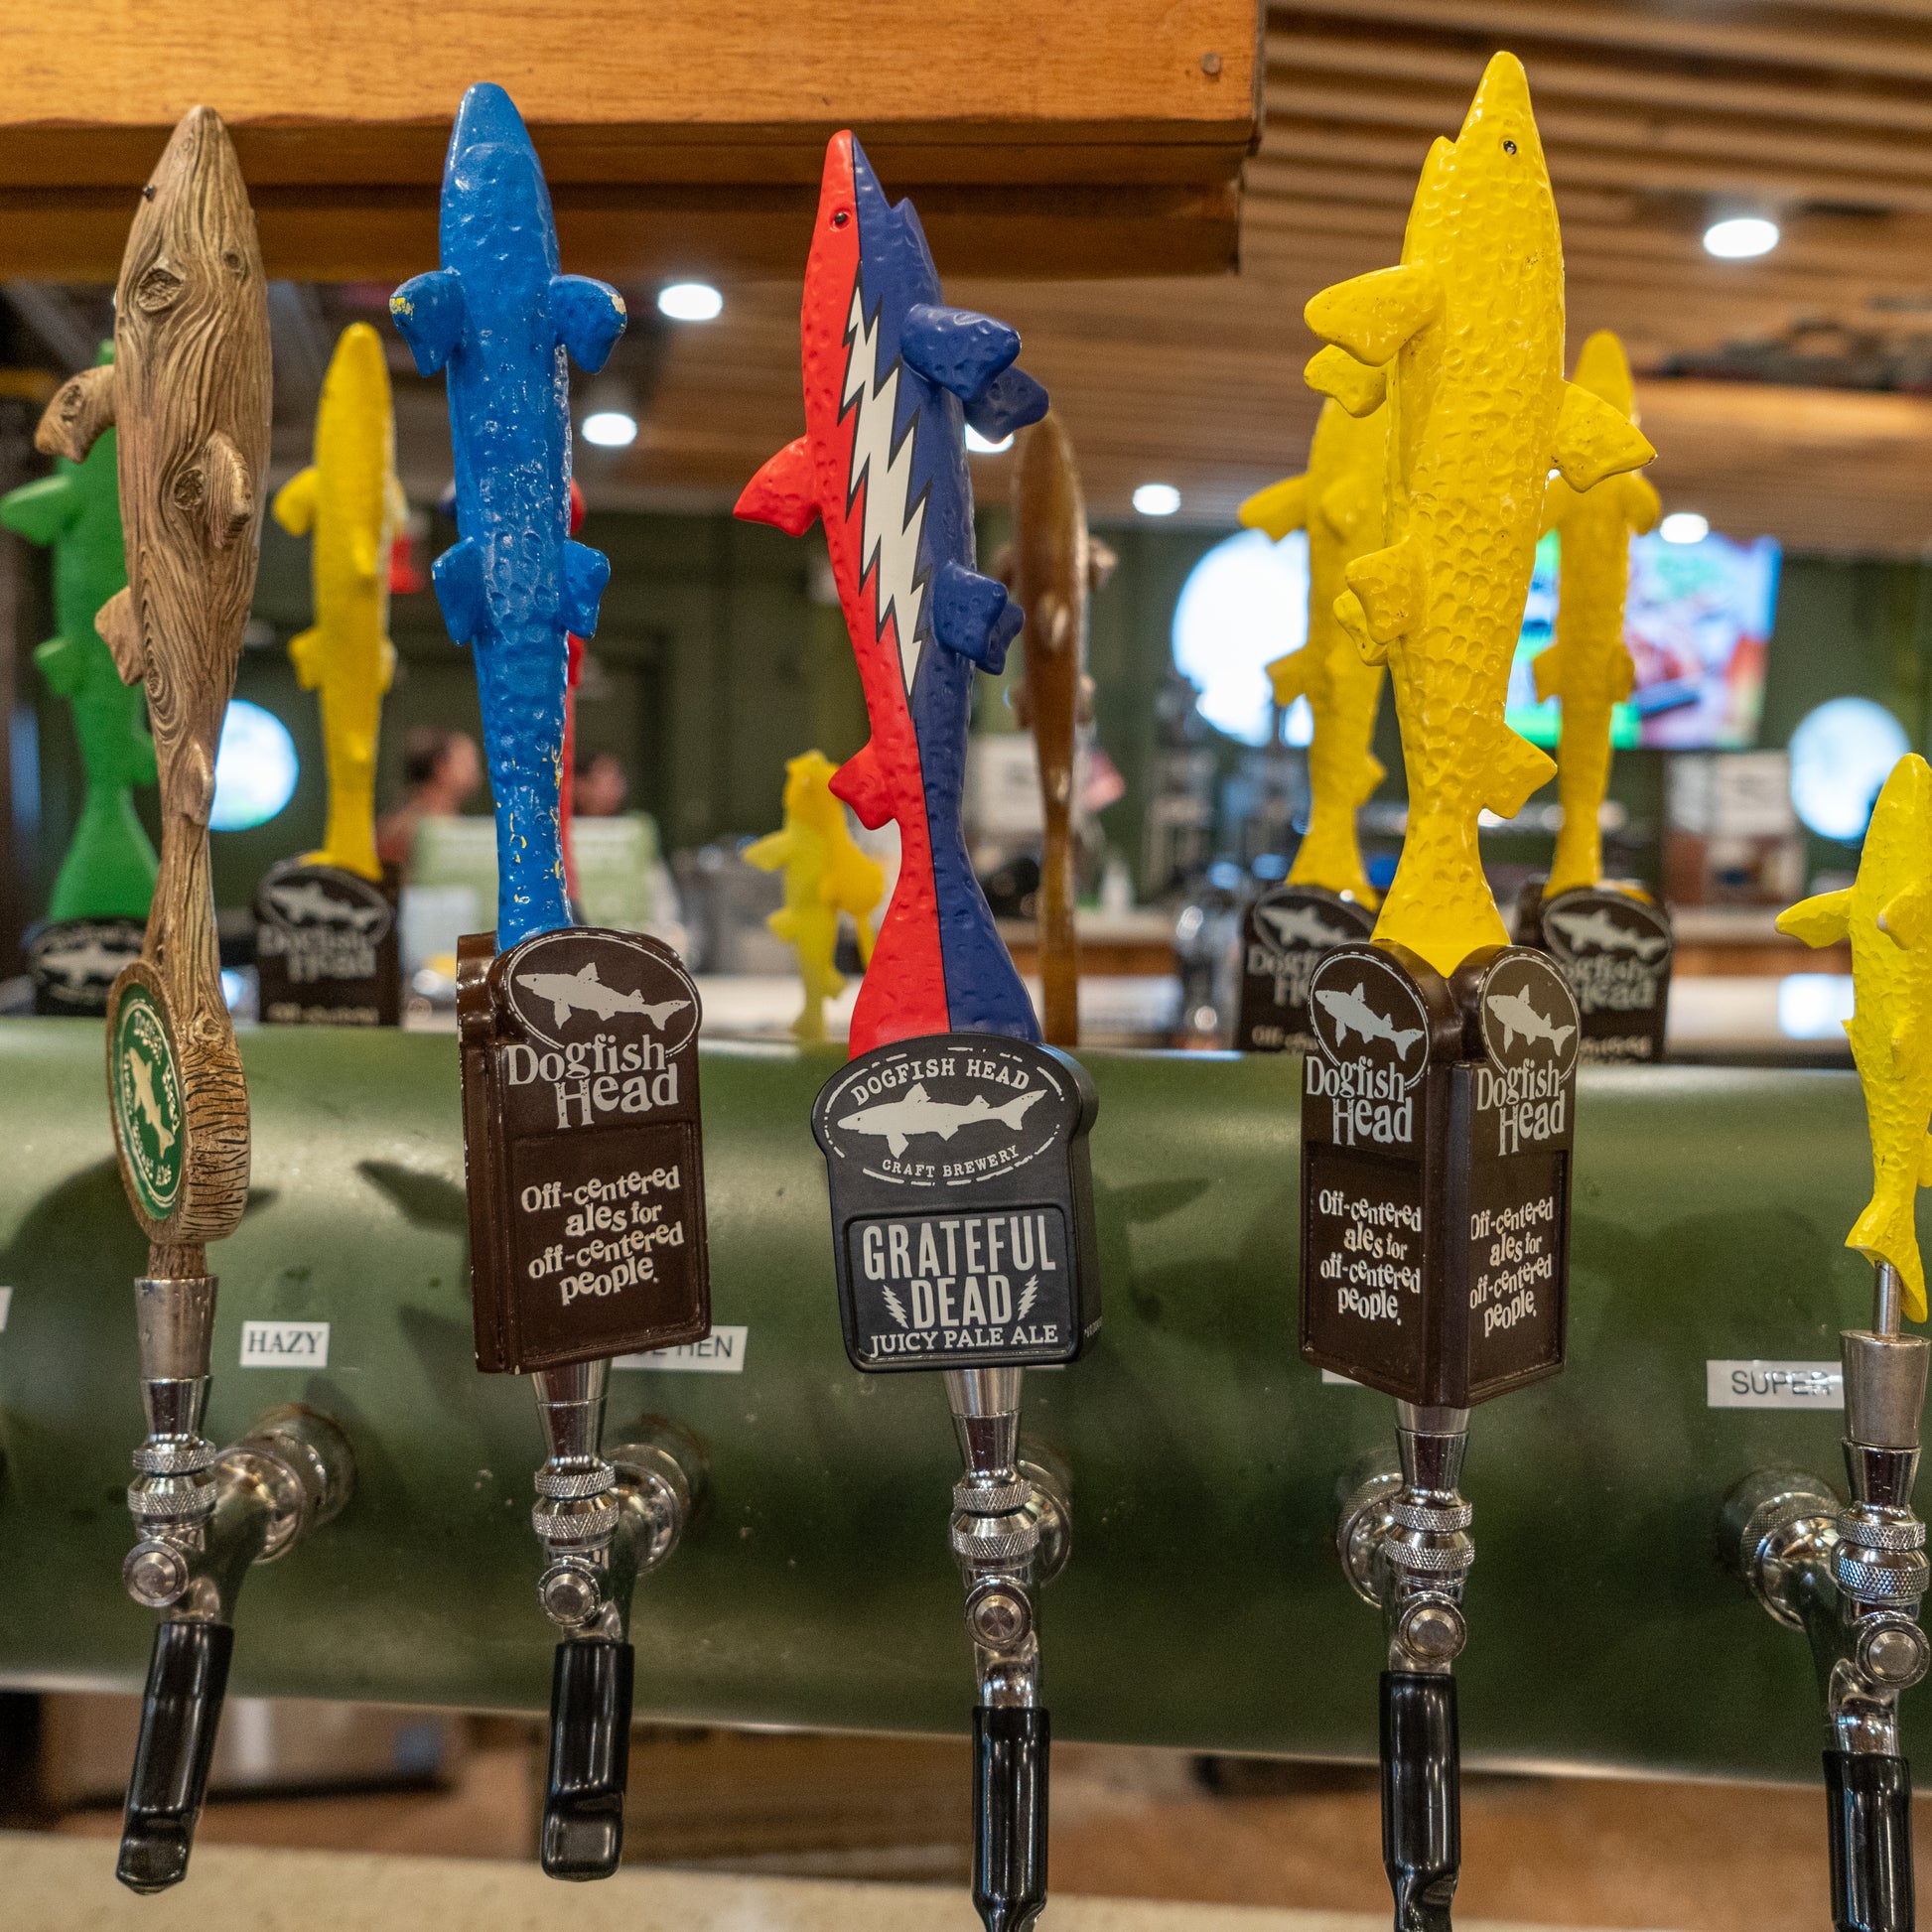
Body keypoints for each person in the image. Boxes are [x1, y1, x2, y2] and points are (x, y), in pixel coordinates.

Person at [376, 727, 483, 873]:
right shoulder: (407, 828)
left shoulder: (456, 827)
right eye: (465, 761)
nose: (474, 769)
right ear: (440, 767)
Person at [572, 749, 628, 818]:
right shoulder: (562, 821)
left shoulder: (631, 822)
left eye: (617, 782)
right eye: (611, 783)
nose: (618, 792)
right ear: (580, 785)